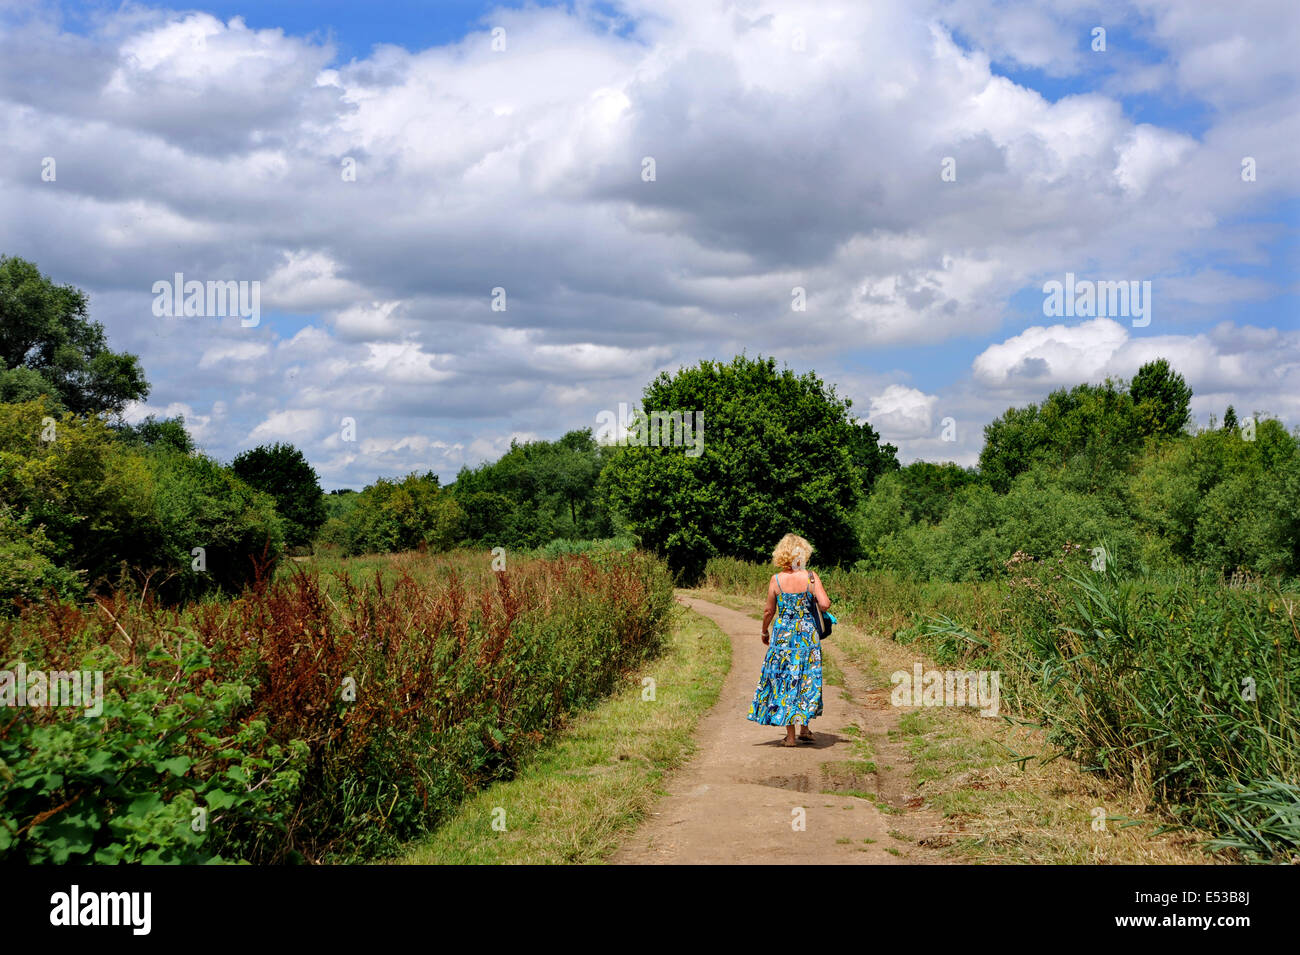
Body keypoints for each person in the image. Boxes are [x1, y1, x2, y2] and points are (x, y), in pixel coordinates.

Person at [747, 533, 830, 746]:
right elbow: (825, 604)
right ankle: (805, 726)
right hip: (807, 635)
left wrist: (764, 631)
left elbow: (768, 610)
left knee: (785, 680)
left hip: (783, 635)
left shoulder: (776, 580)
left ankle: (792, 736)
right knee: (806, 678)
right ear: (802, 554)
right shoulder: (811, 577)